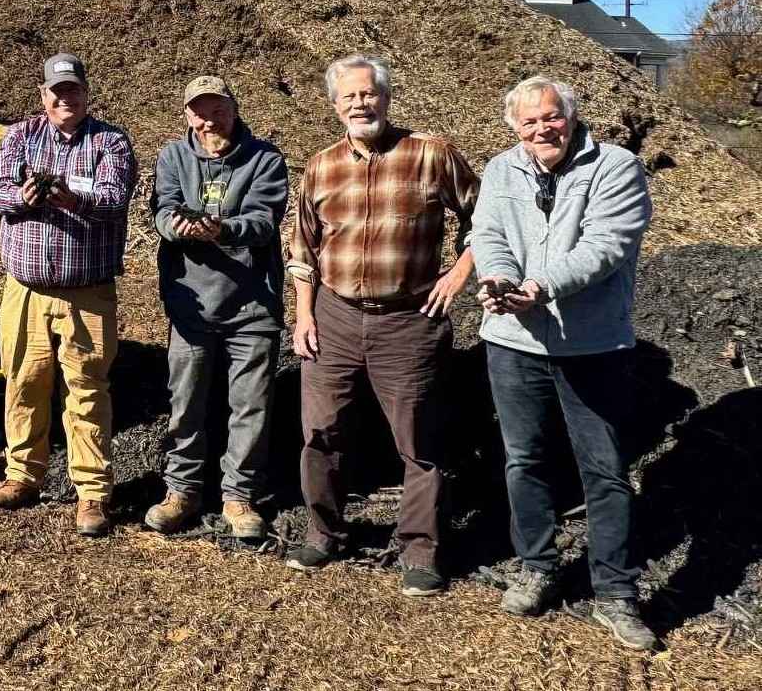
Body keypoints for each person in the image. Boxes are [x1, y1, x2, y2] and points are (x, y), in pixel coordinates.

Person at [471, 76, 656, 651]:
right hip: (513, 340)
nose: (540, 129)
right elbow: (487, 231)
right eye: (527, 122)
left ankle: (616, 592)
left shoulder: (617, 167)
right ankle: (537, 565)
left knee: (602, 469)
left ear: (571, 117)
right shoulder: (503, 169)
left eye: (551, 117)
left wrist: (539, 285)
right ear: (514, 128)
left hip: (593, 345)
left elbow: (607, 246)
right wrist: (498, 280)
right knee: (523, 460)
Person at [284, 55, 478, 597]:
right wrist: (303, 313)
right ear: (335, 105)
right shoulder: (321, 166)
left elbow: (485, 218)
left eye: (368, 94)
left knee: (418, 440)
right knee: (321, 433)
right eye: (348, 97)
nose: (359, 104)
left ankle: (420, 549)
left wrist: (458, 274)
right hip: (334, 317)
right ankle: (325, 532)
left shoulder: (431, 155)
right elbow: (304, 245)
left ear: (386, 98)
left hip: (410, 320)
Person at [0, 52, 138, 537]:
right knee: (24, 382)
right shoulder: (19, 136)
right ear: (43, 96)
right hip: (25, 290)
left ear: (86, 94)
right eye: (56, 91)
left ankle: (92, 493)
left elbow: (114, 200)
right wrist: (23, 197)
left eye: (72, 90)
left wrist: (75, 199)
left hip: (87, 293)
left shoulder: (110, 141)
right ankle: (22, 476)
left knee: (88, 388)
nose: (64, 98)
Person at [146, 76, 288, 538]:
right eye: (200, 112)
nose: (209, 120)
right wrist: (177, 225)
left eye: (218, 110)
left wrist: (222, 230)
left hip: (252, 306)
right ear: (188, 115)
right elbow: (163, 207)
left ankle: (239, 496)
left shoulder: (265, 158)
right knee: (184, 401)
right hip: (191, 307)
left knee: (250, 406)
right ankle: (181, 490)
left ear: (234, 108)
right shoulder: (173, 156)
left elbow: (265, 221)